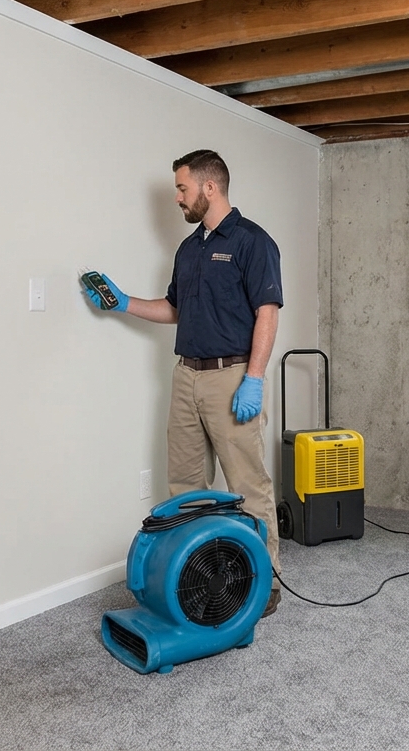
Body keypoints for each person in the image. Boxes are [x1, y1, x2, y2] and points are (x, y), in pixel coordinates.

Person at [84, 150, 284, 617]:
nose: (178, 198)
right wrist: (122, 302)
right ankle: (202, 575)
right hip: (186, 375)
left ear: (209, 188)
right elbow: (176, 310)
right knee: (186, 486)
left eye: (182, 188)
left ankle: (265, 583)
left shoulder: (253, 242)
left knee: (247, 484)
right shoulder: (189, 248)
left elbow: (267, 314)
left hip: (232, 376)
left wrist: (252, 380)